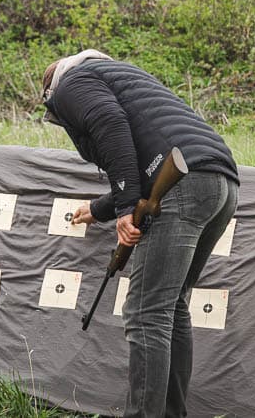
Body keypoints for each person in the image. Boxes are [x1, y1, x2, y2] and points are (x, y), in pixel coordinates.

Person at [42, 50, 239, 418]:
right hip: (220, 185)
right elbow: (147, 158)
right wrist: (100, 210)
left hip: (183, 185)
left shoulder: (70, 83)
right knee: (172, 305)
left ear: (51, 91)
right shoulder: (122, 75)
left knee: (146, 312)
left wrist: (122, 209)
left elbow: (109, 123)